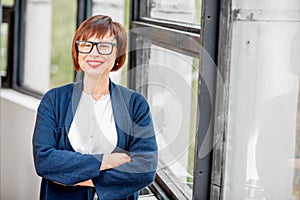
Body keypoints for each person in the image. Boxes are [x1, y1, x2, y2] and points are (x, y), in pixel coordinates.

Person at [32, 15, 158, 200]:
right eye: (86, 44)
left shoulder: (135, 104)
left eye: (104, 46)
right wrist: (105, 161)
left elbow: (145, 169)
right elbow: (44, 160)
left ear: (117, 54)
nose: (94, 53)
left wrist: (71, 176)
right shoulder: (54, 100)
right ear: (77, 51)